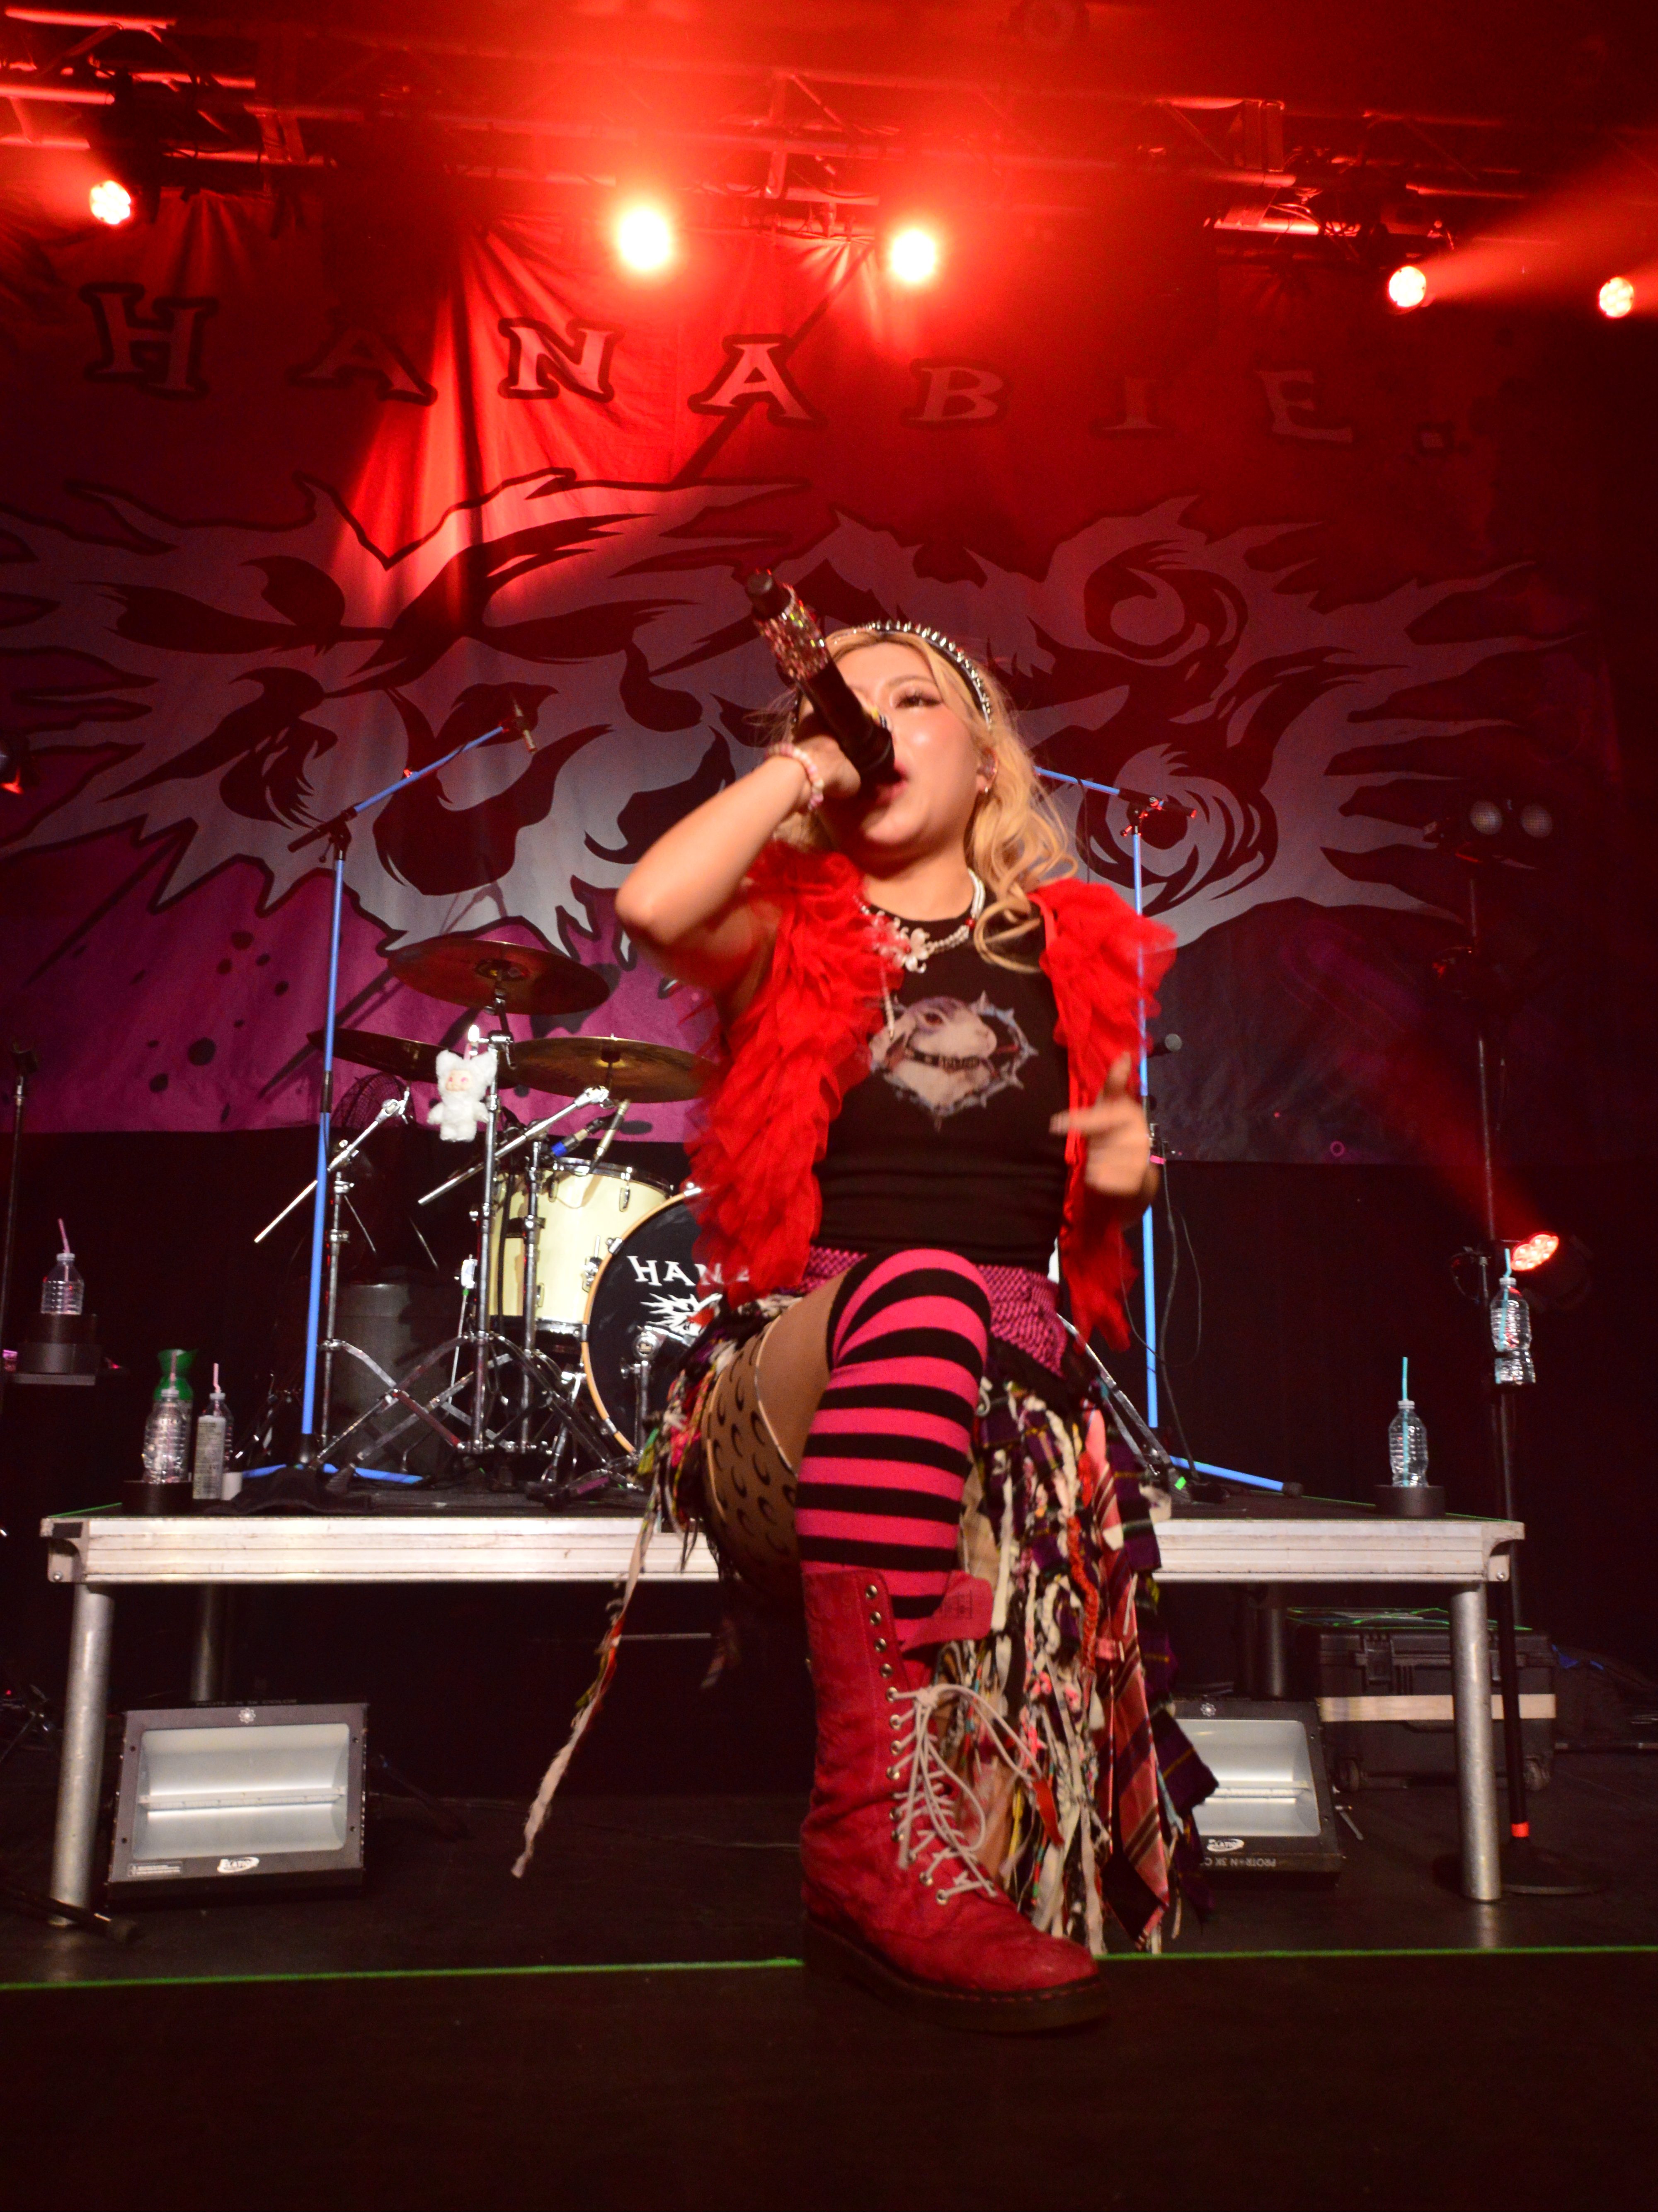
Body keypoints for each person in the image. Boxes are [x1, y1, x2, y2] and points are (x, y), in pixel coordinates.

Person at [606, 619, 1209, 2029]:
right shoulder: (781, 927)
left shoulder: (1071, 956)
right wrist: (802, 766)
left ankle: (930, 1861)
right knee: (921, 1286)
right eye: (842, 708)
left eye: (911, 700)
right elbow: (651, 904)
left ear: (987, 759)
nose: (873, 724)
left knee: (947, 1300)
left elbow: (1100, 1218)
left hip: (1008, 1390)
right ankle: (862, 1844)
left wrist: (1127, 1178)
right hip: (802, 1366)